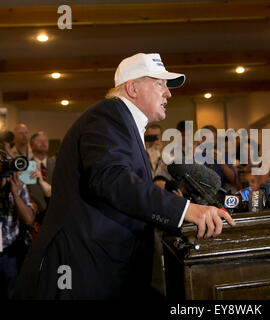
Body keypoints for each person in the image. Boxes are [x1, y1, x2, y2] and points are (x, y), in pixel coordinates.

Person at [12, 53, 235, 300]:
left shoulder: (123, 121)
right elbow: (111, 180)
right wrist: (185, 210)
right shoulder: (109, 115)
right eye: (160, 83)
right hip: (81, 270)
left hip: (99, 266)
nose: (168, 93)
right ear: (132, 88)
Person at [0, 170, 35, 299]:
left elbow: (28, 219)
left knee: (12, 293)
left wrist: (15, 194)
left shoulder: (18, 185)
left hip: (9, 254)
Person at [27, 132, 55, 240]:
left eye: (46, 141)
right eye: (39, 141)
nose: (43, 143)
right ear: (32, 145)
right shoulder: (26, 166)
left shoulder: (56, 164)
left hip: (53, 214)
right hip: (34, 218)